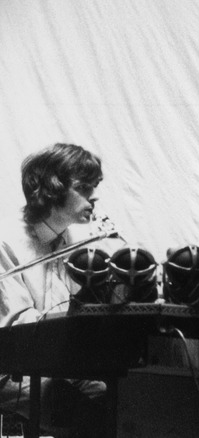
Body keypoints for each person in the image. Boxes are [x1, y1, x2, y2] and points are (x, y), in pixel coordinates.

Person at [0, 143, 113, 437]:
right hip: (10, 374)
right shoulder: (6, 242)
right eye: (84, 187)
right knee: (92, 413)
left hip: (52, 367)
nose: (93, 196)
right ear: (53, 189)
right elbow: (18, 330)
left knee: (125, 399)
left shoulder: (72, 243)